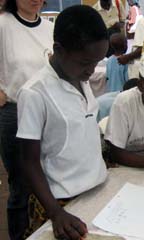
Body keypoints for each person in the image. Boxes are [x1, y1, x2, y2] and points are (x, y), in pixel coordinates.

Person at [16, 5, 108, 239]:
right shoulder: (35, 93)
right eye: (86, 62)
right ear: (59, 49)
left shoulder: (79, 76)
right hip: (62, 202)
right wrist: (56, 213)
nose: (92, 70)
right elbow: (29, 161)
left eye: (97, 61)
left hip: (96, 190)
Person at [0, 0, 53, 238]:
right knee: (21, 186)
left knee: (48, 179)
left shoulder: (50, 28)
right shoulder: (3, 25)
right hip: (16, 112)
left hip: (48, 112)